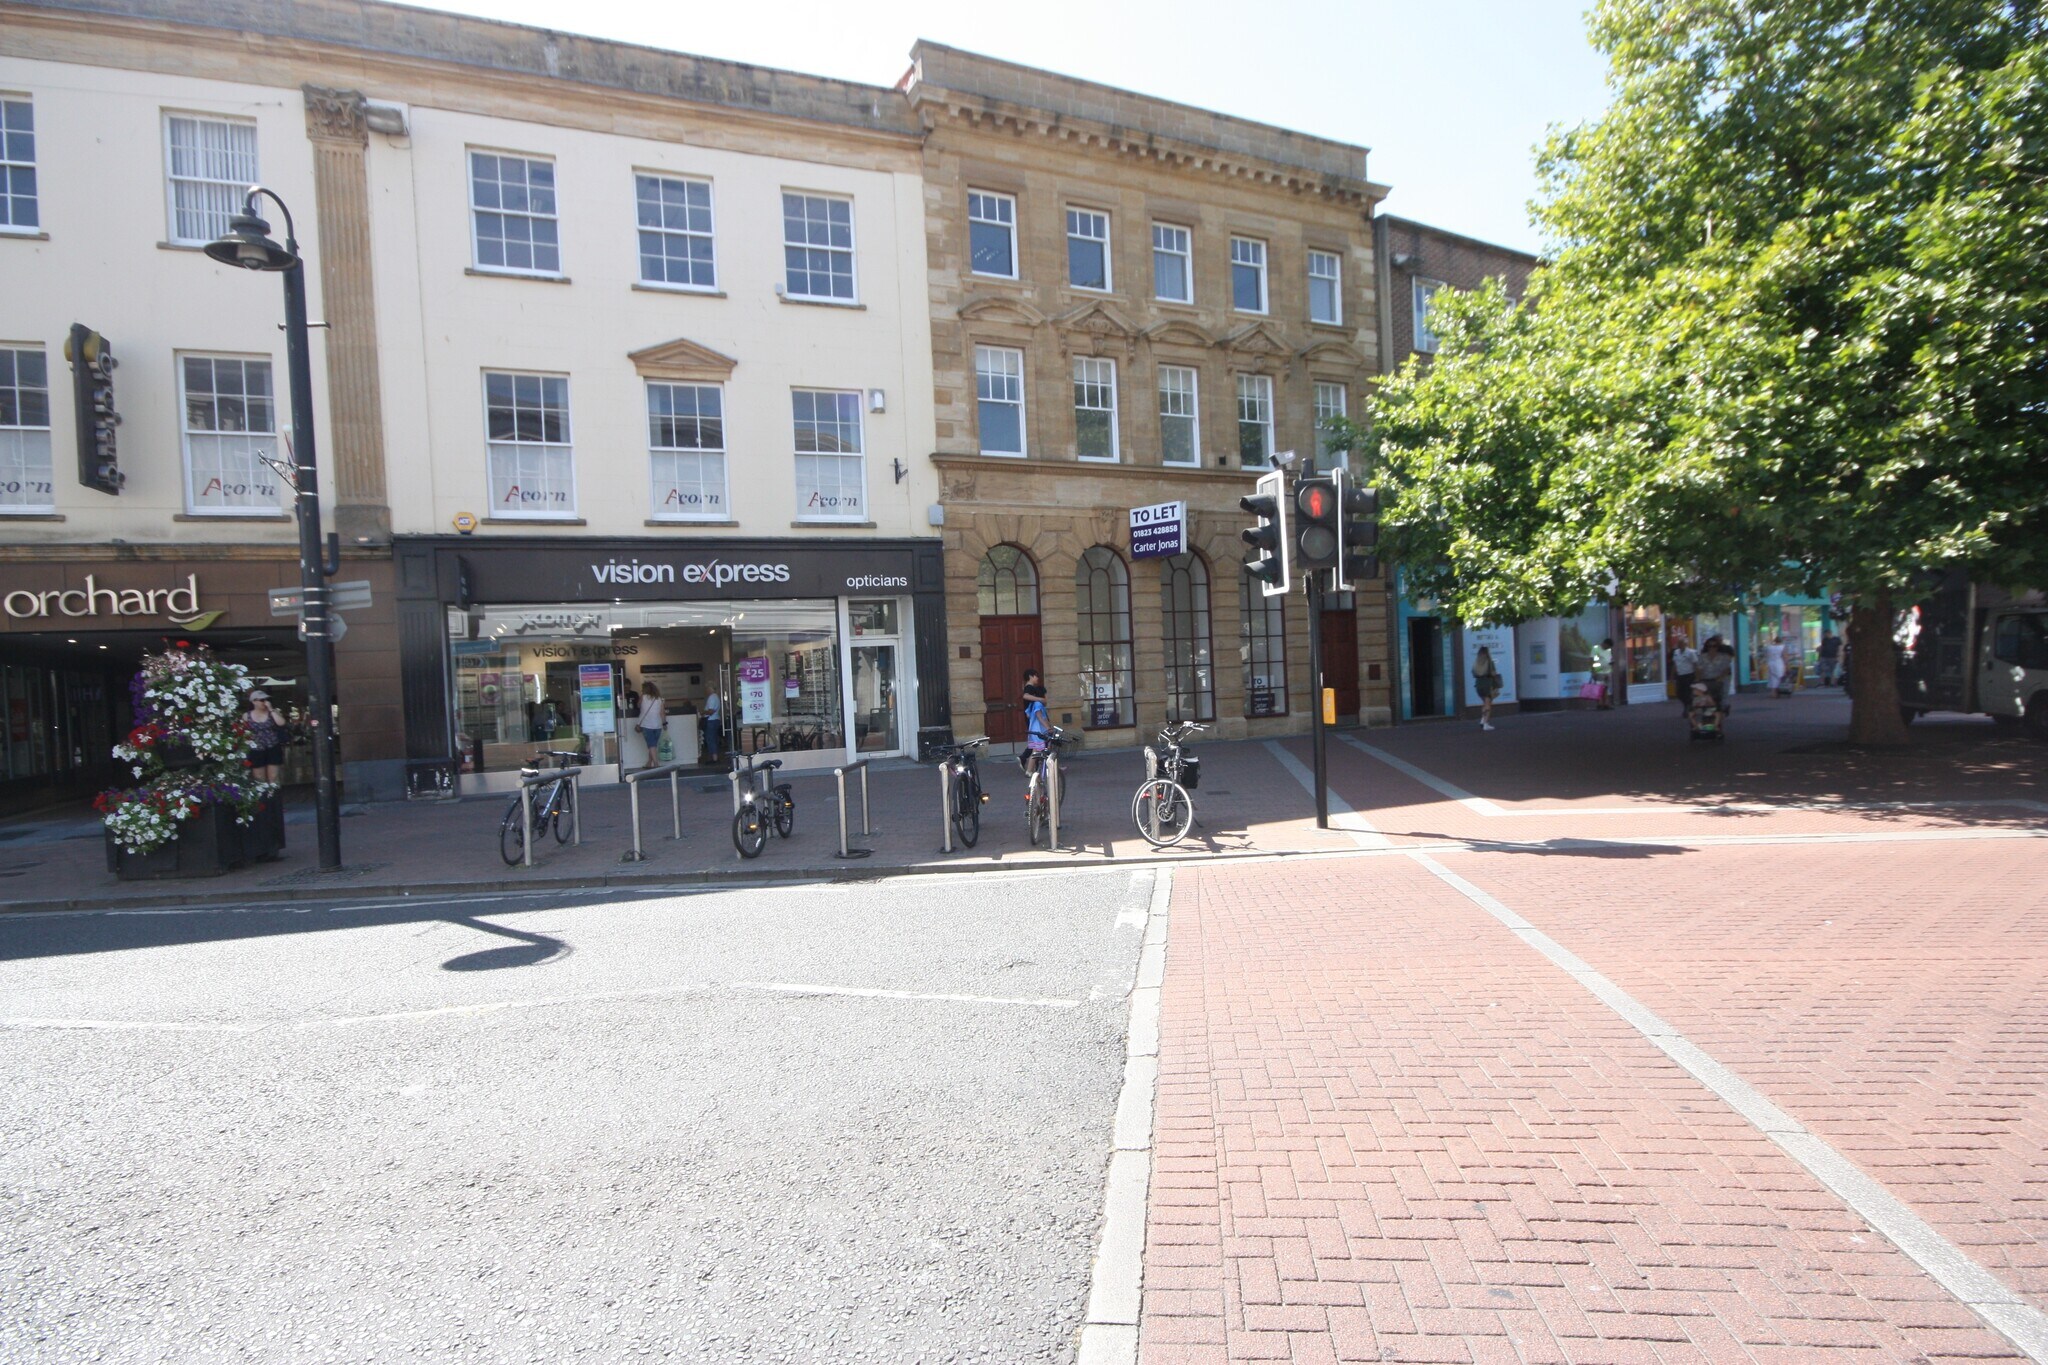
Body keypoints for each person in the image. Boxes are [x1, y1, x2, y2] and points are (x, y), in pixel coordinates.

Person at [244, 689, 287, 784]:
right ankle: (262, 796)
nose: (265, 702)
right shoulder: (247, 716)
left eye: (266, 700)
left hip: (272, 745)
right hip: (256, 748)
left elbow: (282, 723)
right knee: (259, 777)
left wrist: (271, 709)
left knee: (273, 776)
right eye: (262, 700)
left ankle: (273, 794)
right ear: (254, 702)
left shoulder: (272, 713)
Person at [1020, 668, 1051, 779]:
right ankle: (1031, 769)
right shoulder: (1032, 694)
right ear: (1031, 676)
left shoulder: (1035, 704)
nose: (1037, 678)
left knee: (1036, 749)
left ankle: (1032, 769)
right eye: (1036, 676)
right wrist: (1048, 726)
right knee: (1037, 748)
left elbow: (1028, 712)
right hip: (1038, 728)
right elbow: (1038, 715)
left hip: (1035, 727)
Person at [1697, 635, 1734, 714]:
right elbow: (1699, 669)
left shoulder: (1725, 653)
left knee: (1722, 695)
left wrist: (1721, 678)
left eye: (1714, 646)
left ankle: (1723, 709)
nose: (1712, 648)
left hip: (1721, 679)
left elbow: (1727, 668)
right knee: (1708, 697)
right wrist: (1699, 679)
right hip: (1707, 680)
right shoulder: (1702, 657)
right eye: (1709, 646)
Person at [1471, 646, 1502, 731]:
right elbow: (1493, 673)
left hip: (1478, 684)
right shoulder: (1489, 662)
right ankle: (1486, 723)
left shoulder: (1476, 663)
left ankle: (1482, 720)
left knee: (1484, 703)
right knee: (1488, 704)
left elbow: (1473, 673)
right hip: (1488, 684)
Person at [637, 682, 666, 769]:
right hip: (658, 725)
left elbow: (638, 705)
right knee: (653, 745)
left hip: (647, 725)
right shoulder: (659, 699)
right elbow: (662, 713)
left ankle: (656, 764)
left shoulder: (643, 697)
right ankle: (649, 763)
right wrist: (664, 723)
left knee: (651, 745)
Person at [1671, 634, 1699, 706]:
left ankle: (1688, 708)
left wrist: (1697, 676)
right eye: (1678, 643)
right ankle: (1688, 705)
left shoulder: (1691, 653)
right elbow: (1675, 664)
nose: (1679, 645)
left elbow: (1695, 664)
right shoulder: (1676, 652)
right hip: (1680, 675)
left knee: (1687, 692)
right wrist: (1672, 676)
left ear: (1685, 644)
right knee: (1679, 693)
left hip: (1688, 675)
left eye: (1681, 643)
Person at [700, 686, 723, 763]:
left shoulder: (712, 697)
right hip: (715, 720)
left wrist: (703, 713)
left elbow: (710, 711)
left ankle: (714, 758)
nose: (706, 690)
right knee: (713, 739)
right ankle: (714, 757)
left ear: (710, 688)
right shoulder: (716, 697)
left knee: (710, 739)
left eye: (707, 688)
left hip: (711, 720)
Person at [1591, 638, 1615, 709]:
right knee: (1599, 688)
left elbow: (1609, 659)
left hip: (1607, 671)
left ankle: (1606, 704)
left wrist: (1612, 663)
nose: (1608, 648)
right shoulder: (1596, 649)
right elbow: (1592, 660)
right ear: (1605, 644)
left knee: (1606, 688)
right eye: (1608, 646)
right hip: (1599, 672)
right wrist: (1594, 672)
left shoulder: (1608, 650)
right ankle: (1599, 704)